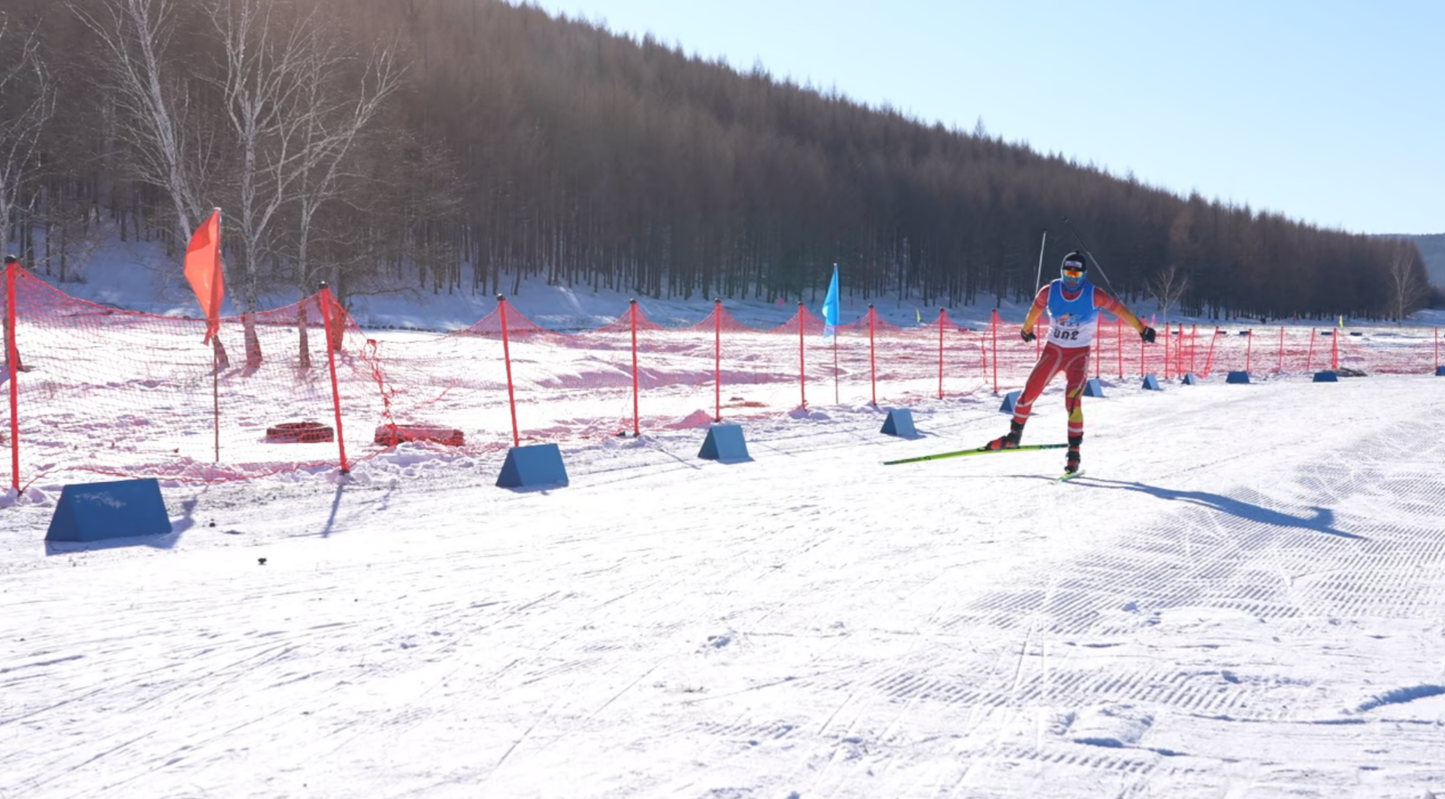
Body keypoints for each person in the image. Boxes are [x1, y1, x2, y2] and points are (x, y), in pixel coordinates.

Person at [984, 250, 1156, 474]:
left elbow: (1121, 311)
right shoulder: (1050, 291)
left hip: (1078, 355)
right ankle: (1013, 436)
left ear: (1083, 275)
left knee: (1073, 401)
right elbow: (1034, 310)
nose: (1071, 279)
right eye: (1068, 273)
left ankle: (1074, 452)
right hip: (1053, 351)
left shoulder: (1095, 295)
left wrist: (1142, 329)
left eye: (1076, 275)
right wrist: (1026, 329)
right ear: (1062, 272)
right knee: (1028, 394)